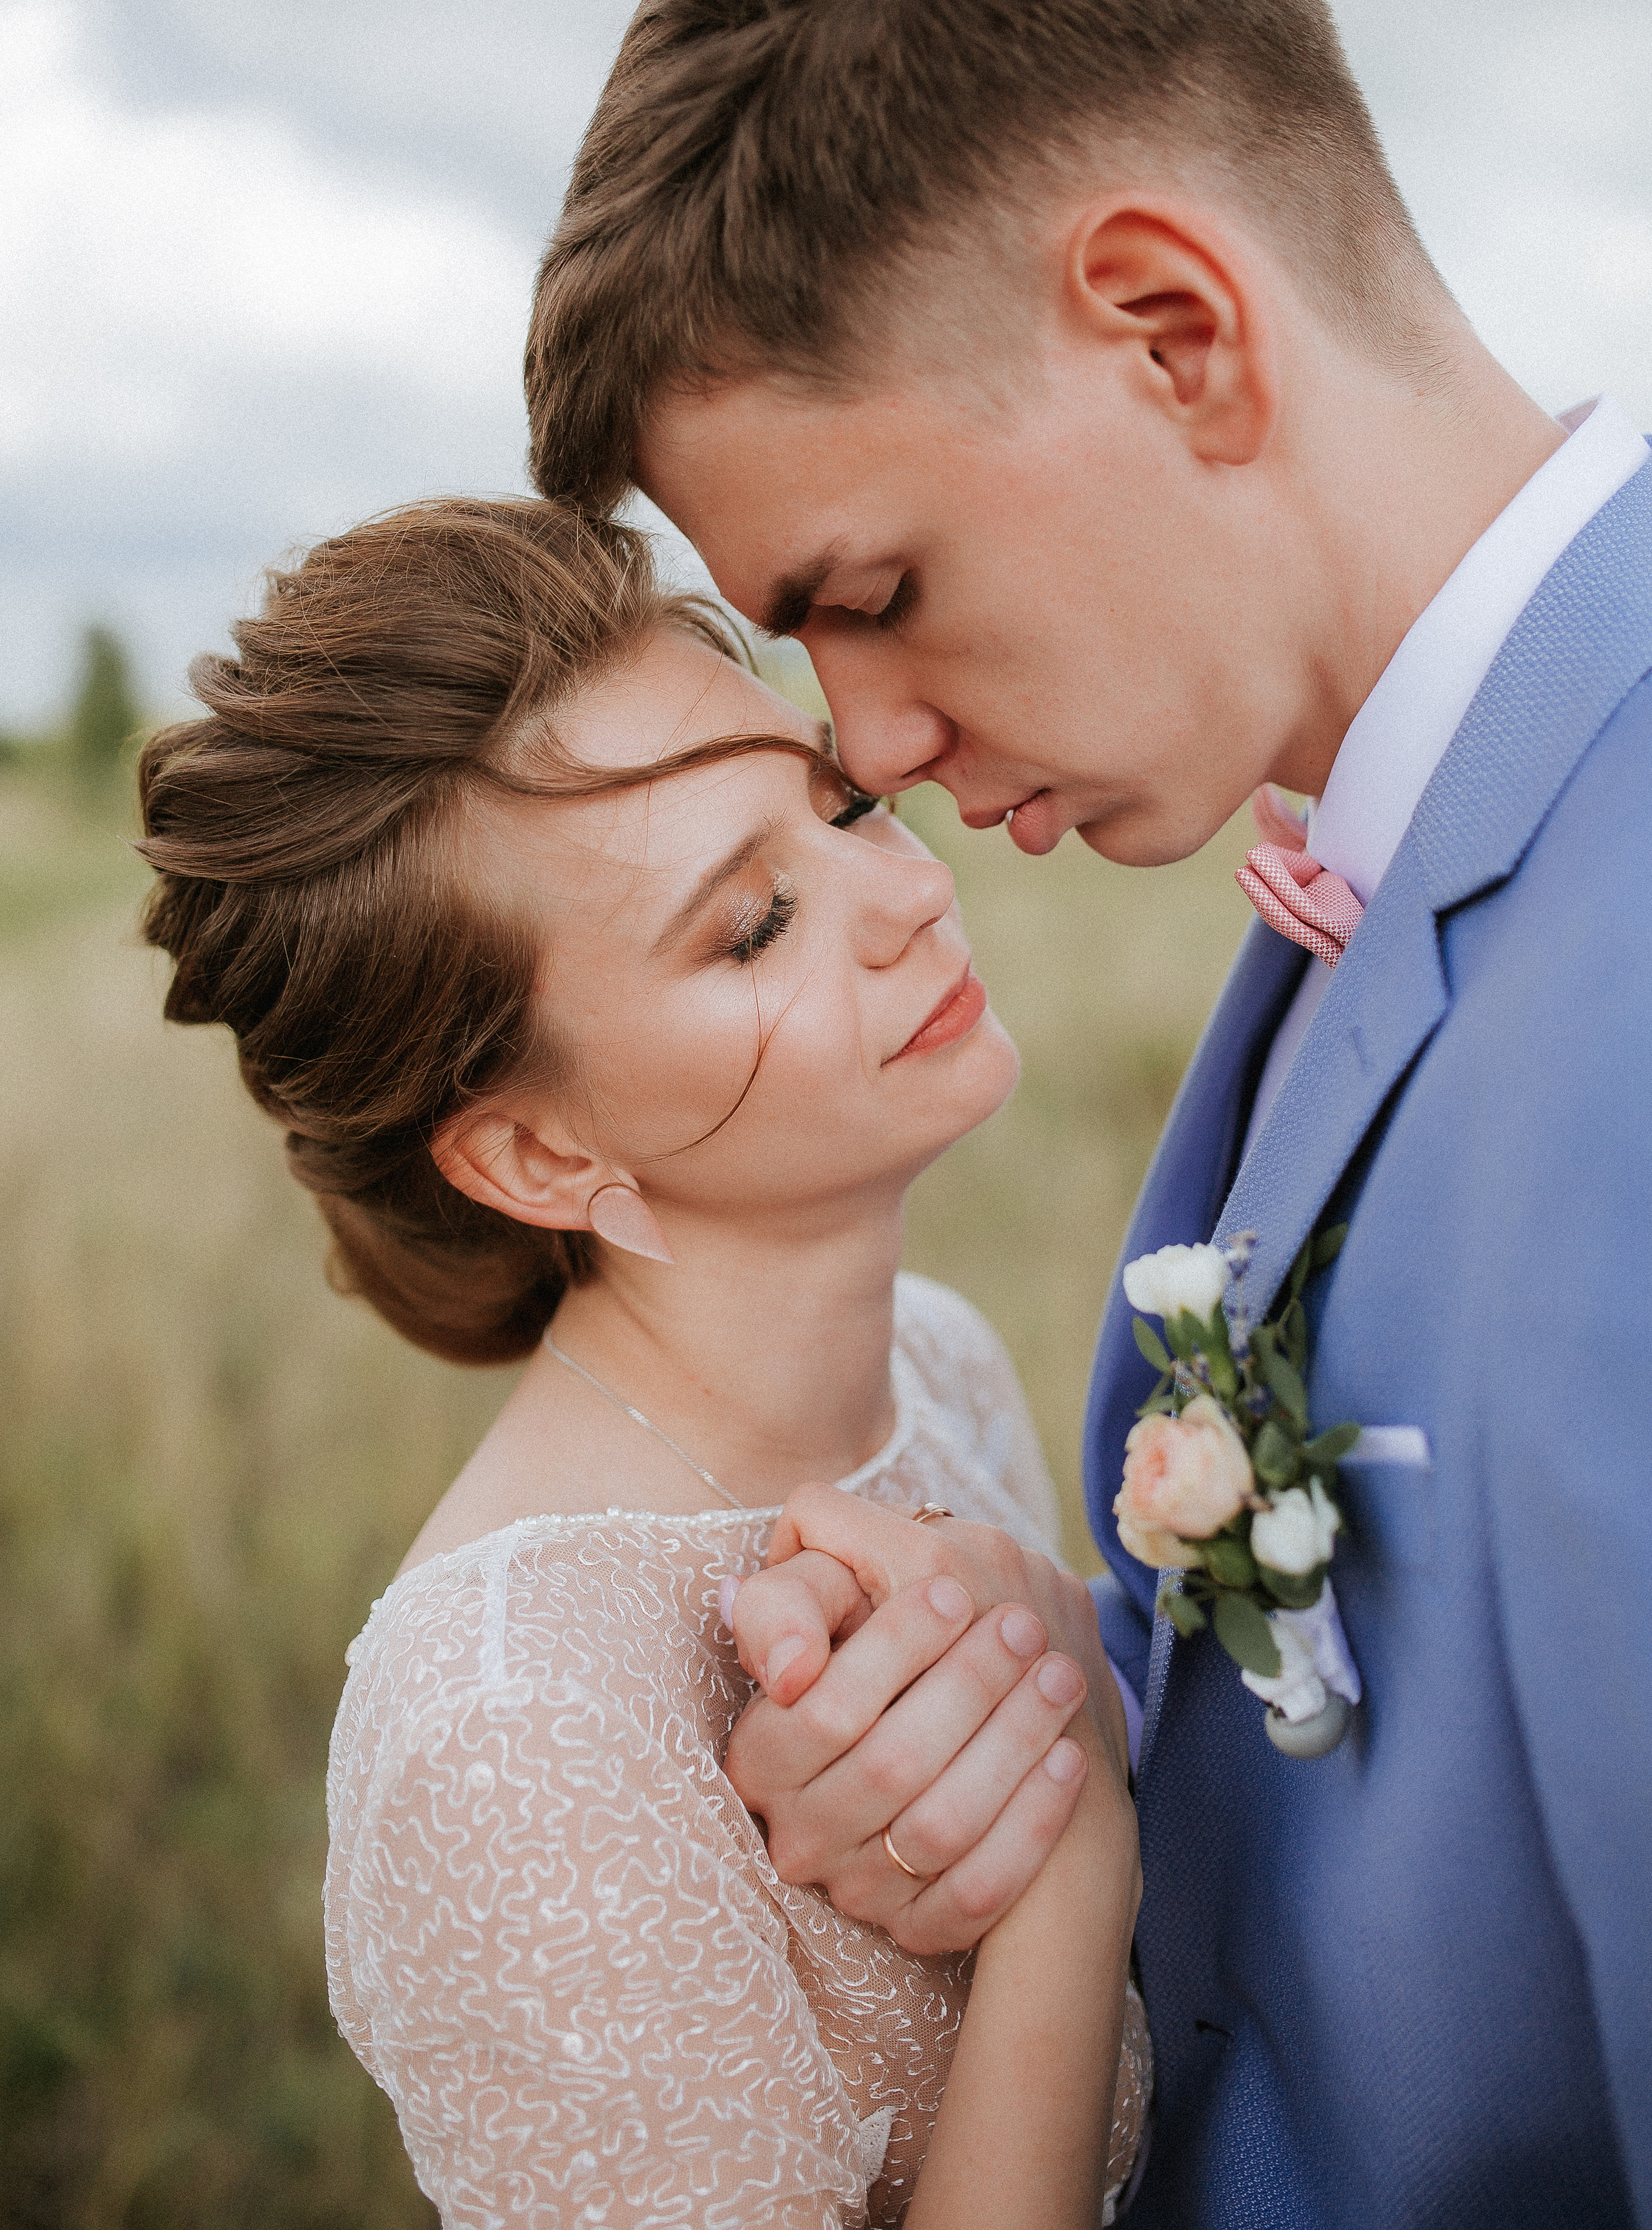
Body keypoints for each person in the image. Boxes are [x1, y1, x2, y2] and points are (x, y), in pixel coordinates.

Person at [523, 0, 1652, 2230]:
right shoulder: (1396, 852)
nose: (866, 741)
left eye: (873, 590)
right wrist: (1078, 1692)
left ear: (1173, 332)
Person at [136, 496, 1150, 2229]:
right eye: (752, 927)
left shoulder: (943, 1363)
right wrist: (1070, 1859)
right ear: (540, 1156)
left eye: (842, 805)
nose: (911, 891)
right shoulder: (504, 1727)